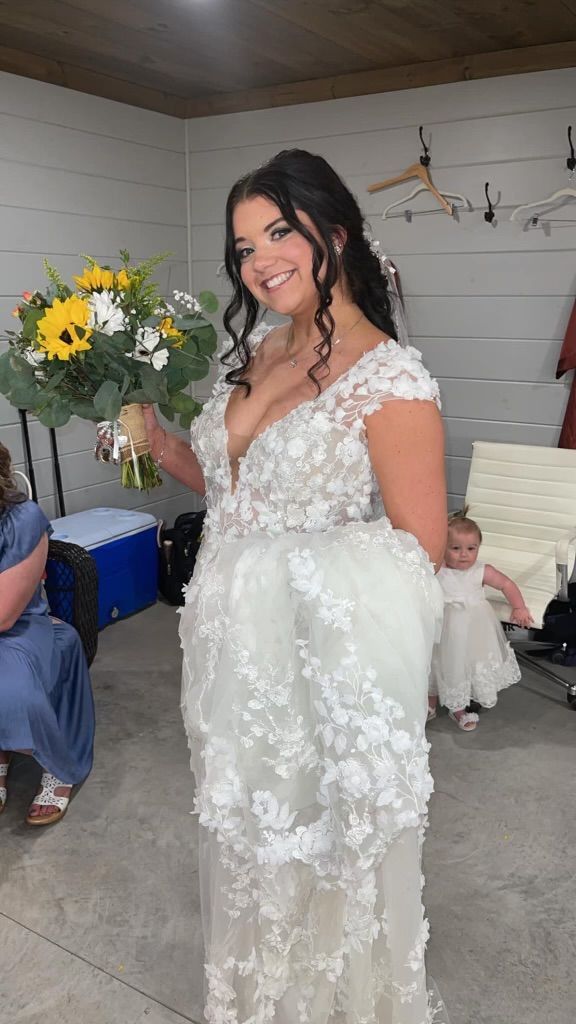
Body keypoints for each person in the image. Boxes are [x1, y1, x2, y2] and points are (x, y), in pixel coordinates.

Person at [143, 149, 447, 1023]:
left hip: (318, 661)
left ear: (336, 233)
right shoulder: (252, 346)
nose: (259, 258)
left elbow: (414, 556)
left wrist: (278, 576)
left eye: (279, 230)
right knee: (248, 833)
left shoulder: (390, 379)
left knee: (318, 837)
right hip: (230, 652)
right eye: (242, 246)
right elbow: (246, 500)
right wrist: (168, 448)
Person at [0, 443, 95, 825]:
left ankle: (56, 762)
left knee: (12, 692)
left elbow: (5, 614)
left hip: (16, 629)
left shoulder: (24, 519)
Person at [428, 509, 533, 731]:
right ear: (443, 547)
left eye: (471, 548)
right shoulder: (437, 570)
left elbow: (506, 584)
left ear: (478, 548)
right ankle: (430, 703)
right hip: (442, 629)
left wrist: (519, 606)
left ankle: (458, 707)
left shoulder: (481, 570)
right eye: (455, 548)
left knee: (460, 665)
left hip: (472, 630)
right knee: (436, 663)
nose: (464, 554)